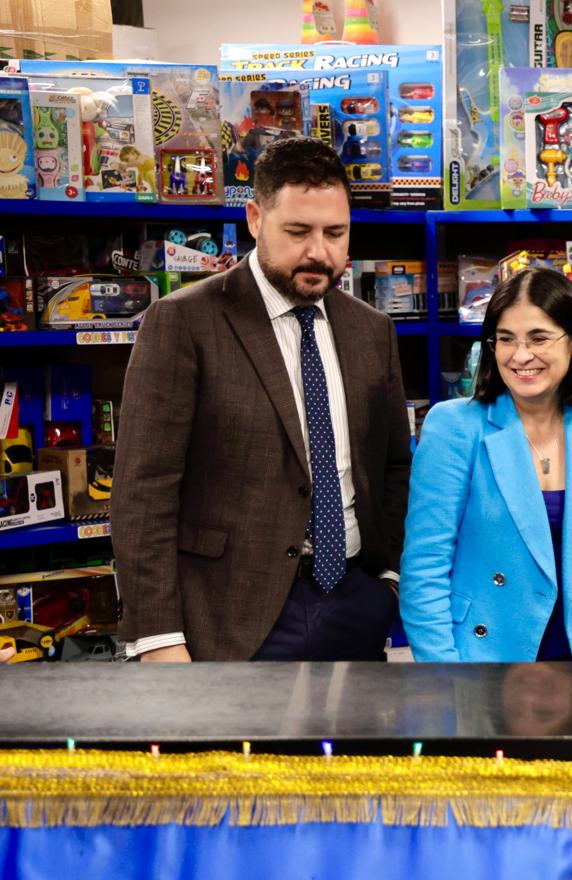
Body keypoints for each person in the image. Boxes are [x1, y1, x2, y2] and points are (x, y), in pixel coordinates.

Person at [113, 137, 410, 662]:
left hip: (355, 607)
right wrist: (158, 638)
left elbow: (393, 467)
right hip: (229, 622)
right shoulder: (184, 322)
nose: (319, 251)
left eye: (335, 234)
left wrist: (386, 580)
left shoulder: (372, 330)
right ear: (254, 219)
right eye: (297, 232)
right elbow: (143, 491)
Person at [401, 268, 572, 663]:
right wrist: (444, 679)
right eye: (505, 340)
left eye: (538, 338)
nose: (521, 356)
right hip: (484, 662)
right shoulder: (453, 427)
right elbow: (425, 569)